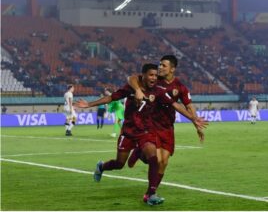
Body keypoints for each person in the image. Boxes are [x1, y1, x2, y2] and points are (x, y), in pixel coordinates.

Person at [74, 63, 207, 205]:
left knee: (153, 158)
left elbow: (175, 105)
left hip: (145, 132)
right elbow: (111, 97)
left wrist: (193, 118)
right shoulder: (131, 88)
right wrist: (89, 104)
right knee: (119, 164)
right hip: (129, 132)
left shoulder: (158, 91)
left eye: (156, 75)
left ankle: (151, 194)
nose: (154, 78)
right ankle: (101, 167)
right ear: (143, 76)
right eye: (151, 75)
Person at [127, 55, 203, 192]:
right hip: (151, 124)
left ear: (172, 69)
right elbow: (133, 78)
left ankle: (151, 191)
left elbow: (188, 105)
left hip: (167, 127)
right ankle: (150, 192)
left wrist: (196, 123)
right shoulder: (154, 80)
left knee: (164, 162)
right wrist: (137, 89)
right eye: (160, 64)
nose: (160, 67)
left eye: (163, 65)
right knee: (155, 159)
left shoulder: (180, 87)